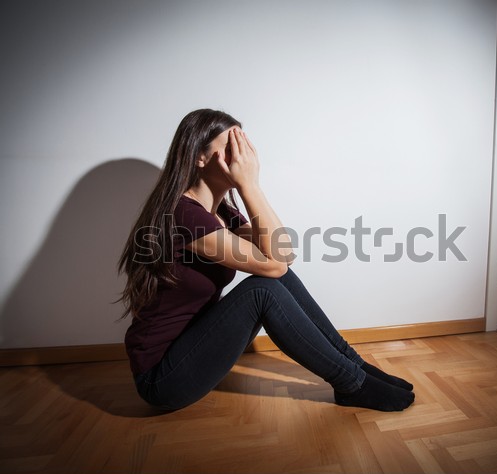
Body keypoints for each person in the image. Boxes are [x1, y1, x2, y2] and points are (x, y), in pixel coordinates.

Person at [118, 109, 415, 412]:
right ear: (200, 157)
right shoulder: (185, 214)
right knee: (262, 290)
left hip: (194, 345)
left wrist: (251, 187)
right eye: (231, 148)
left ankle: (356, 368)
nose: (242, 158)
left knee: (277, 278)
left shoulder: (221, 214)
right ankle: (351, 383)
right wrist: (250, 185)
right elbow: (274, 265)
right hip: (162, 377)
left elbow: (284, 257)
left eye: (244, 147)